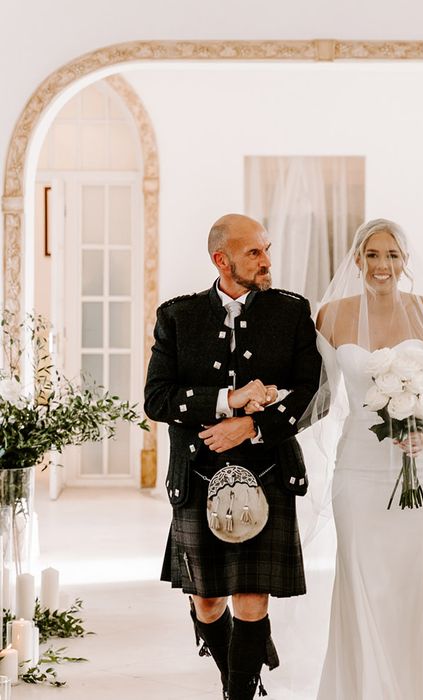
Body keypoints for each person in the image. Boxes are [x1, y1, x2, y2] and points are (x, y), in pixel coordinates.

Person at [144, 214, 322, 700]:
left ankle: (238, 691)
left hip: (266, 469)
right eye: (254, 253)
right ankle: (241, 666)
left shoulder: (290, 312)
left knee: (250, 597)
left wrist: (254, 424)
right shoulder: (177, 316)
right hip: (198, 472)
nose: (266, 261)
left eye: (266, 249)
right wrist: (228, 400)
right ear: (221, 260)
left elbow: (310, 390)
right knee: (206, 600)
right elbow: (157, 399)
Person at [311, 218, 423, 699]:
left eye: (393, 255)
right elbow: (320, 395)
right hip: (357, 469)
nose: (383, 266)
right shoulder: (330, 316)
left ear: (406, 261)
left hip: (422, 467)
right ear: (358, 259)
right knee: (360, 576)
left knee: (415, 580)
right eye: (374, 255)